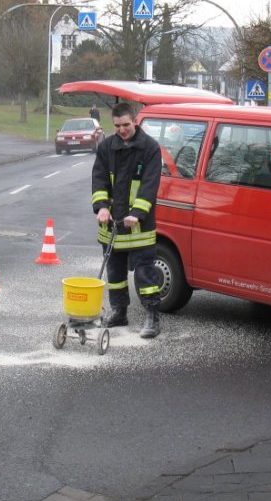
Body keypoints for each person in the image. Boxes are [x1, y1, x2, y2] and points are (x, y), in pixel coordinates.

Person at [91, 102, 162, 338]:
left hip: (138, 226)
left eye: (126, 125)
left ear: (135, 121)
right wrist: (101, 207)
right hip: (111, 225)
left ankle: (152, 317)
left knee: (145, 275)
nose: (122, 129)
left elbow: (150, 185)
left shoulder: (150, 148)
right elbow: (99, 179)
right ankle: (119, 312)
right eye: (118, 125)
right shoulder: (106, 147)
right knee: (115, 273)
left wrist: (137, 213)